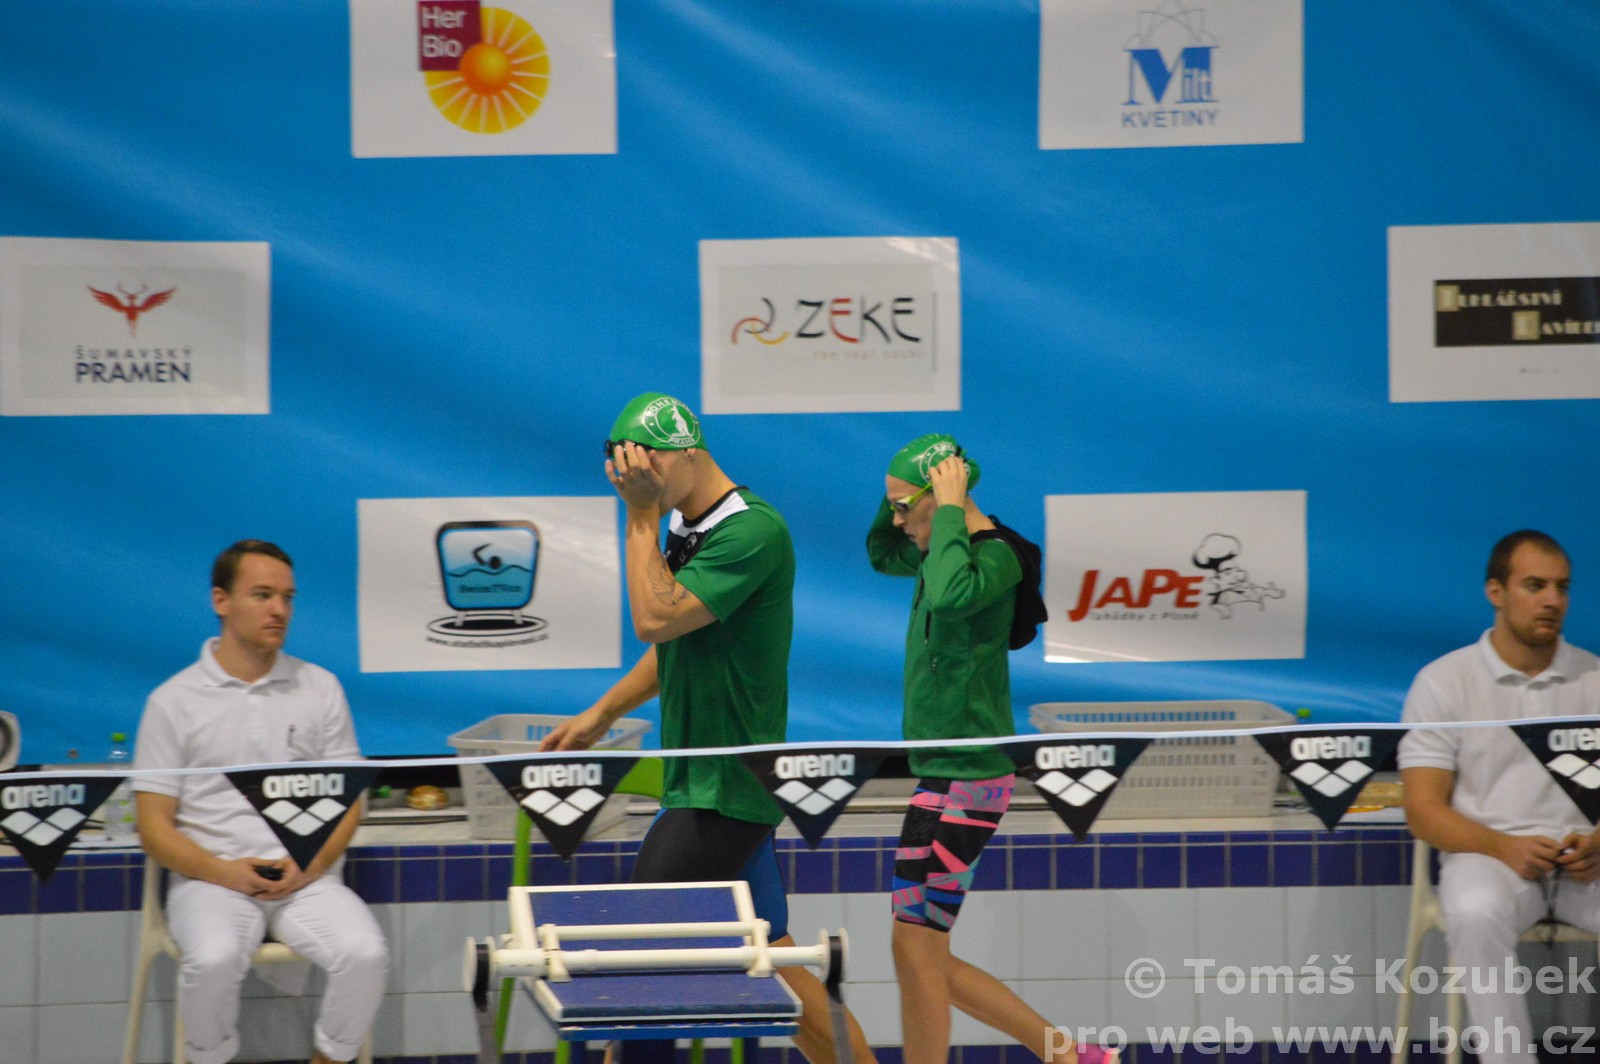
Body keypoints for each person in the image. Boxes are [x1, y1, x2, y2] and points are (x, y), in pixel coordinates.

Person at [541, 393, 873, 1064]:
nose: (639, 483)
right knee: (776, 962)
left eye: (648, 468)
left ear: (689, 453)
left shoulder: (752, 531)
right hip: (706, 784)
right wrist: (603, 713)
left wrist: (640, 517)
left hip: (726, 793)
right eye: (627, 474)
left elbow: (655, 617)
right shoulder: (685, 525)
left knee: (642, 968)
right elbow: (678, 639)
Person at [868, 434, 1112, 1064]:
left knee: (919, 952)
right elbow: (881, 553)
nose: (897, 521)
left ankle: (1065, 1055)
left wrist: (949, 506)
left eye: (904, 507)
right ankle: (1067, 1055)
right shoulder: (936, 547)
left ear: (944, 496)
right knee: (916, 953)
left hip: (969, 778)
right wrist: (909, 500)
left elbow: (951, 596)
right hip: (941, 776)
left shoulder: (996, 556)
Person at [133, 541, 388, 1064]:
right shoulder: (173, 702)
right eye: (263, 595)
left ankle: (329, 1058)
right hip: (210, 880)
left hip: (306, 877)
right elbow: (153, 827)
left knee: (366, 954)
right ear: (221, 600)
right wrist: (223, 872)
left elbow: (349, 803)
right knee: (213, 957)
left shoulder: (319, 688)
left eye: (288, 598)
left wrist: (310, 864)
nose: (279, 610)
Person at [1400, 530, 1600, 1064]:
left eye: (1562, 587)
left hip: (1587, 860)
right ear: (1496, 592)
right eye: (1535, 585)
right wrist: (1501, 845)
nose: (1552, 600)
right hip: (1489, 856)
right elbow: (1423, 809)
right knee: (1474, 910)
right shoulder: (1444, 682)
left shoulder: (1596, 678)